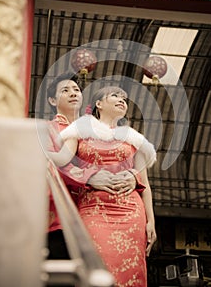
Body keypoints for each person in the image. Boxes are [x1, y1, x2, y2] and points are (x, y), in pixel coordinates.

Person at [48, 85, 157, 286]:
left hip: (131, 212)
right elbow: (62, 159)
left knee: (132, 270)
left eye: (124, 98)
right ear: (99, 104)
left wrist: (151, 222)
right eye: (114, 95)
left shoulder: (134, 138)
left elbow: (145, 185)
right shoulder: (79, 129)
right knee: (97, 266)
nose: (122, 100)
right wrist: (34, 146)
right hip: (93, 209)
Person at [46, 73, 139, 259]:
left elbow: (119, 159)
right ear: (52, 100)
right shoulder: (46, 129)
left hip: (101, 213)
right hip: (60, 219)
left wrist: (133, 176)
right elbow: (46, 164)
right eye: (65, 90)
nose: (73, 93)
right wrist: (87, 176)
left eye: (77, 90)